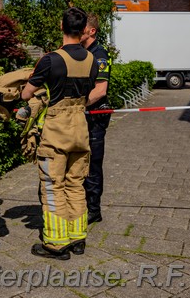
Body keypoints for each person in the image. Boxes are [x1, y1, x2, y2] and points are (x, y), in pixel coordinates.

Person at [21, 7, 103, 260]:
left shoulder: (50, 59)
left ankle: (56, 244)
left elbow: (25, 94)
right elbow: (90, 93)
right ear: (82, 29)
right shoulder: (92, 59)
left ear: (61, 26)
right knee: (76, 184)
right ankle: (78, 238)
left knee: (53, 186)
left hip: (57, 130)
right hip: (80, 126)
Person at [80, 13, 111, 225]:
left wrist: (75, 107)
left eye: (81, 28)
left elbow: (100, 91)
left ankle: (94, 210)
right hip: (83, 115)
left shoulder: (99, 54)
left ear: (91, 31)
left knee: (93, 164)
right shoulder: (81, 53)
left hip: (95, 116)